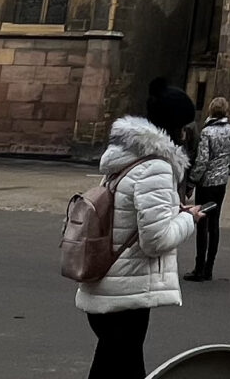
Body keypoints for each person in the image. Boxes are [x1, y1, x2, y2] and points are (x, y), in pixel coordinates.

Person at [74, 85, 202, 379]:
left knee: (109, 366)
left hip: (107, 283)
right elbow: (155, 240)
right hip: (125, 293)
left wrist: (174, 212)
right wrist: (189, 220)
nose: (185, 134)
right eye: (183, 127)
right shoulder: (155, 167)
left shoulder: (126, 159)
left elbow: (130, 216)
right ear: (175, 127)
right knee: (126, 368)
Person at [182, 97, 230, 282]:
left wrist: (191, 182)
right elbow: (229, 155)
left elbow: (202, 161)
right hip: (221, 182)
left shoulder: (207, 132)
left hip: (206, 183)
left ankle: (199, 268)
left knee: (202, 224)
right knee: (214, 225)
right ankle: (209, 267)